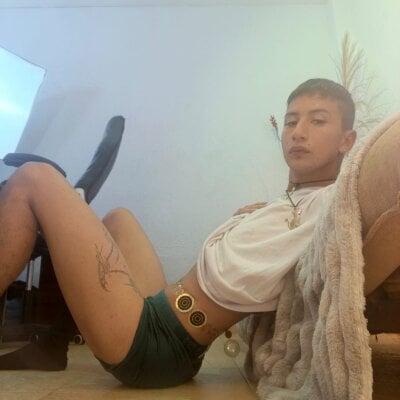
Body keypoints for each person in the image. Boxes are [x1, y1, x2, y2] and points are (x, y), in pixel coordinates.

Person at [0, 78, 356, 388]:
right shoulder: (294, 202)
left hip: (153, 347)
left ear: (347, 141)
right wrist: (256, 216)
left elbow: (368, 178)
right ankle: (53, 343)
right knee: (119, 218)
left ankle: (54, 339)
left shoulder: (332, 203)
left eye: (317, 120)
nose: (298, 132)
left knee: (34, 176)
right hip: (169, 327)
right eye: (291, 121)